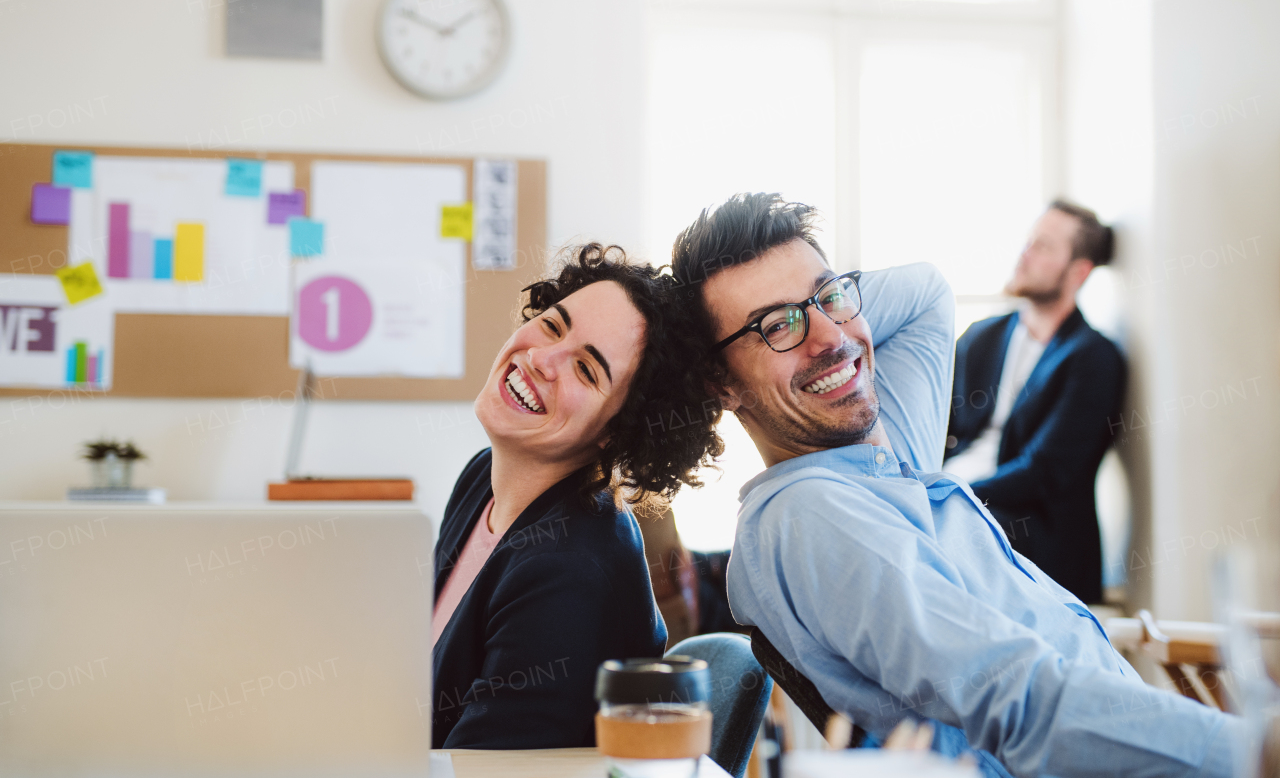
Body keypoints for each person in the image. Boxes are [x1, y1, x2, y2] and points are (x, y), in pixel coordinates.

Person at [670, 194, 1244, 778]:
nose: (830, 337)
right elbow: (1020, 699)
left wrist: (811, 309)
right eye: (777, 326)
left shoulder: (883, 455)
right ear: (720, 384)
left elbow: (925, 293)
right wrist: (1255, 752)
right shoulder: (814, 514)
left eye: (832, 296)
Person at [431, 243, 721, 749]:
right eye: (552, 325)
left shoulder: (572, 571)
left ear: (617, 431)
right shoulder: (483, 479)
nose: (542, 359)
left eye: (586, 370)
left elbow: (484, 768)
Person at [944, 200, 1125, 603]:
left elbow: (1044, 473)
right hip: (957, 499)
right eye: (1028, 242)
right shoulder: (982, 337)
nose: (1025, 253)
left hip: (1032, 531)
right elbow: (938, 428)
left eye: (1043, 247)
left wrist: (953, 494)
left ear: (1078, 272)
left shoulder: (1093, 357)